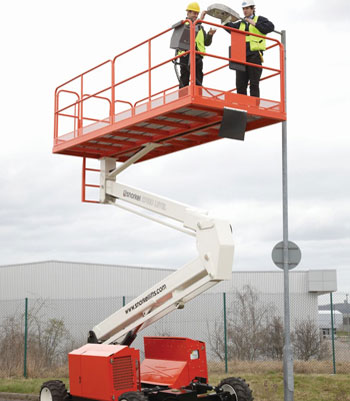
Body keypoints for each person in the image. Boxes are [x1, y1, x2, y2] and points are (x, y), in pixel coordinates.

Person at [225, 0, 274, 97]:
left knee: (254, 84)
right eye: (243, 9)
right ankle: (242, 108)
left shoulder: (259, 19)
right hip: (241, 57)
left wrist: (254, 23)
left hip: (254, 55)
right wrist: (223, 18)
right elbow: (228, 27)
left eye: (247, 8)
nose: (245, 11)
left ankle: (254, 108)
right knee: (240, 85)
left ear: (252, 9)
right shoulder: (241, 24)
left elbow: (270, 27)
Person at [178, 2, 216, 88]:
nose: (196, 15)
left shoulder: (200, 27)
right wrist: (200, 20)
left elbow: (206, 43)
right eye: (194, 13)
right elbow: (190, 30)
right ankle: (183, 96)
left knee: (198, 78)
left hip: (198, 56)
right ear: (188, 13)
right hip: (185, 55)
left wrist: (210, 35)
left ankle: (198, 94)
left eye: (197, 14)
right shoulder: (184, 24)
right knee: (184, 77)